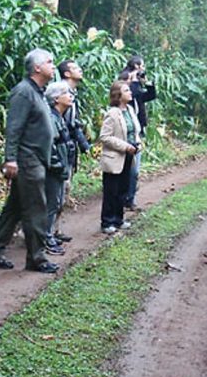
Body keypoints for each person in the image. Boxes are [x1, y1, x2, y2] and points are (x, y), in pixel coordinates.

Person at [0, 49, 59, 274]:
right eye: (49, 62)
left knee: (14, 207)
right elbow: (14, 128)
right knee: (36, 208)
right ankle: (37, 258)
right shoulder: (24, 92)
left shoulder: (38, 92)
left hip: (36, 159)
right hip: (28, 160)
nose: (53, 66)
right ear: (37, 67)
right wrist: (11, 159)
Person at [55, 59, 91, 243]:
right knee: (58, 191)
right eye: (75, 68)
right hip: (60, 148)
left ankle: (55, 230)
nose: (80, 70)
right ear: (67, 73)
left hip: (68, 147)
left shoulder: (72, 94)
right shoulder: (60, 93)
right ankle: (47, 232)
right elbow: (67, 125)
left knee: (63, 191)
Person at [99, 81, 141, 234]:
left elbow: (134, 131)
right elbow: (104, 137)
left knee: (124, 188)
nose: (130, 92)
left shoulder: (130, 110)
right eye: (126, 90)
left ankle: (119, 219)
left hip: (129, 155)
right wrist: (125, 146)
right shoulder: (112, 113)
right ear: (118, 94)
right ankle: (107, 221)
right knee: (111, 190)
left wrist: (137, 143)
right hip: (115, 157)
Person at [119, 55, 156, 211]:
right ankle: (124, 198)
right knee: (128, 169)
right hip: (124, 132)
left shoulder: (136, 87)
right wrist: (133, 81)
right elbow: (131, 94)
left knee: (135, 170)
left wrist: (147, 83)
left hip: (137, 131)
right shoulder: (125, 84)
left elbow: (150, 96)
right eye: (141, 66)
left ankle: (130, 199)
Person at [43, 81, 74, 254]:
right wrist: (58, 166)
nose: (70, 96)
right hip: (53, 170)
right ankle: (46, 238)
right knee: (51, 203)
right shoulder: (51, 118)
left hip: (60, 168)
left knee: (57, 202)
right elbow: (50, 146)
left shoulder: (59, 117)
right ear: (56, 99)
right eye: (66, 93)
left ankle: (50, 234)